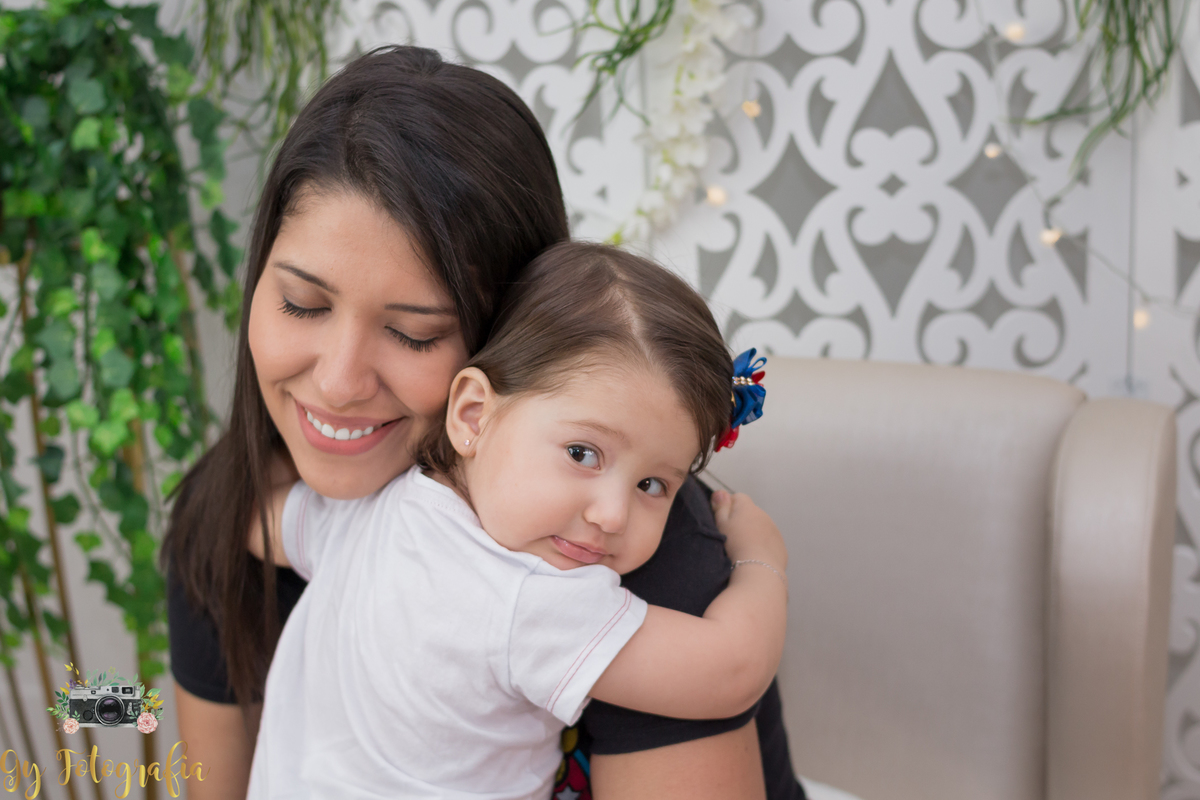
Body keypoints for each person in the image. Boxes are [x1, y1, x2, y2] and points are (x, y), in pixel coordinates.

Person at [163, 45, 808, 800]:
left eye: (413, 333)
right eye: (304, 304)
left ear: (498, 341)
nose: (337, 383)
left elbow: (724, 671)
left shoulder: (611, 553)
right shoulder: (273, 516)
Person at [244, 242, 788, 799]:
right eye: (582, 454)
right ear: (473, 414)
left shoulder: (373, 509)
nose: (612, 514)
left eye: (653, 485)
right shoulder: (528, 601)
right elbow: (732, 672)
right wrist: (761, 556)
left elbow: (264, 524)